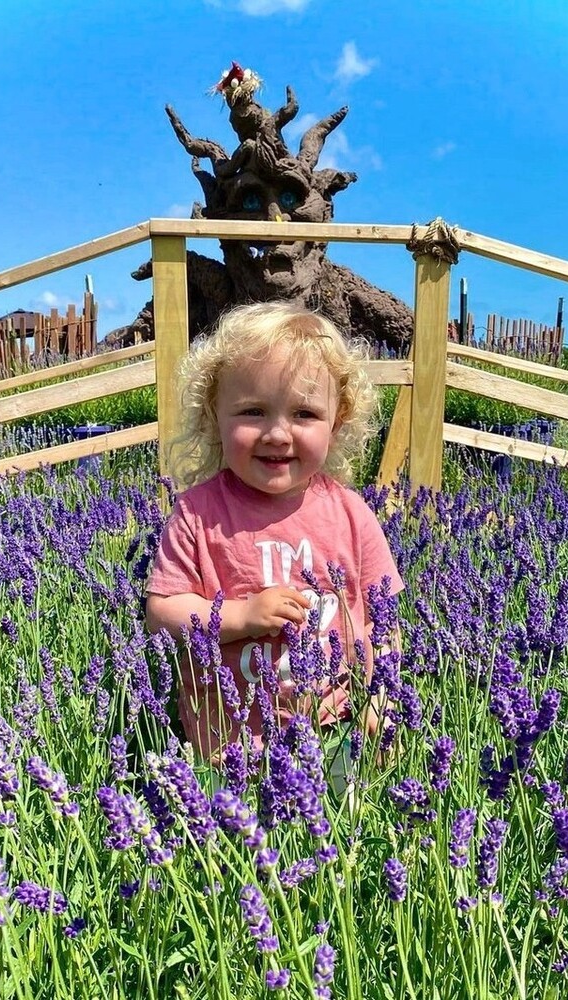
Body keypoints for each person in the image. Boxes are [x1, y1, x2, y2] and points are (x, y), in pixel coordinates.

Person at [145, 302, 404, 764]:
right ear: (214, 415)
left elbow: (381, 619)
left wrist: (381, 695)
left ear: (336, 420)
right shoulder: (198, 515)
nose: (278, 434)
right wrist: (241, 617)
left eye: (304, 414)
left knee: (340, 832)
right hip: (229, 740)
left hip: (334, 728)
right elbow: (163, 614)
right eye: (253, 412)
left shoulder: (351, 515)